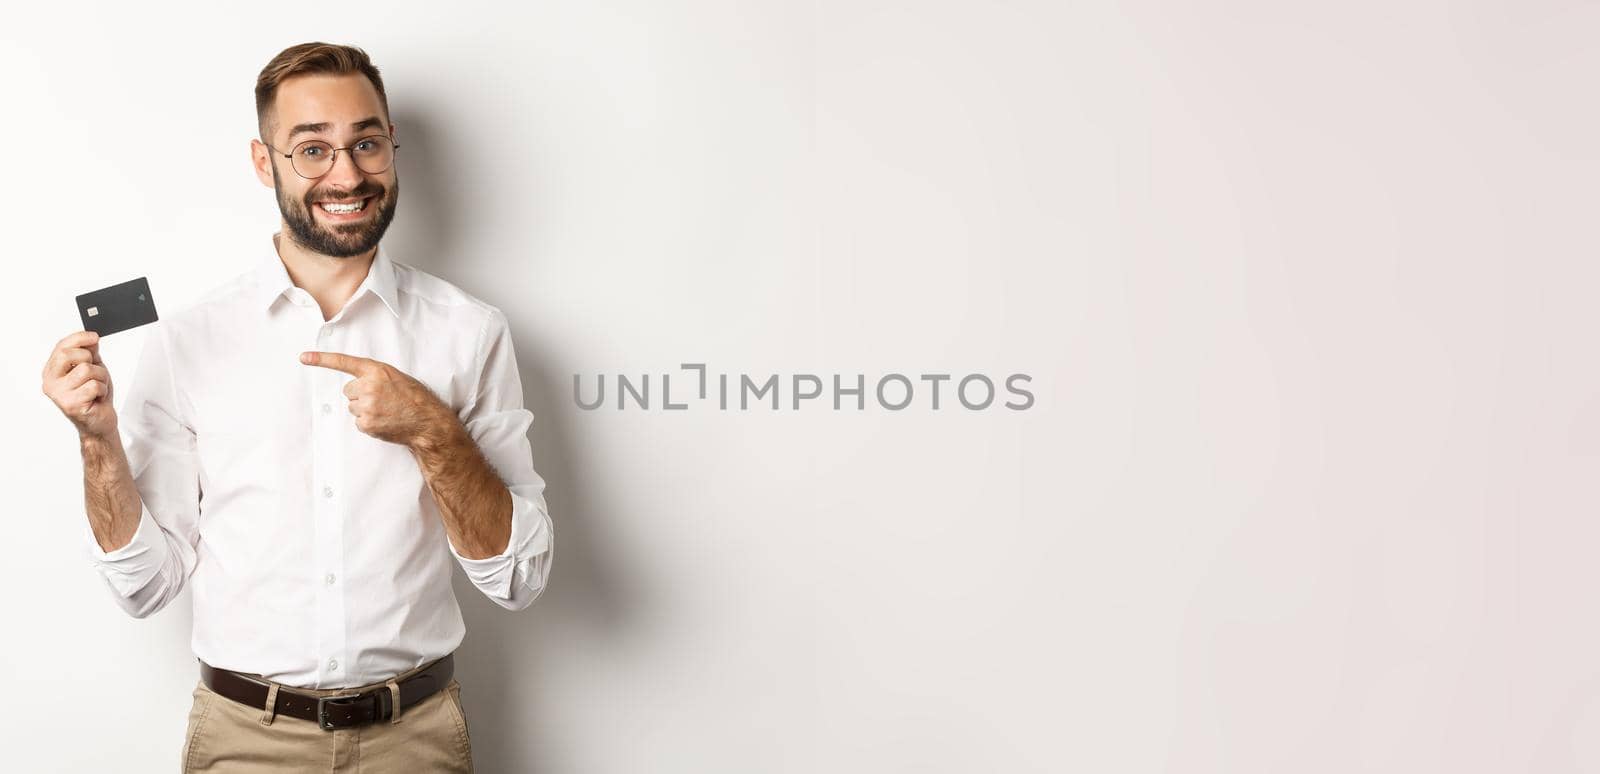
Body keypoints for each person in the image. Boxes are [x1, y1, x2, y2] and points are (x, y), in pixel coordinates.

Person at [39, 41, 555, 773]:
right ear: (263, 163)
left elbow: (519, 580)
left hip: (415, 739)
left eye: (366, 143)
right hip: (244, 741)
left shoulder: (469, 331)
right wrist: (97, 444)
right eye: (311, 149)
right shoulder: (189, 339)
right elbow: (145, 585)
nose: (346, 175)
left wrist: (433, 432)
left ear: (392, 148)